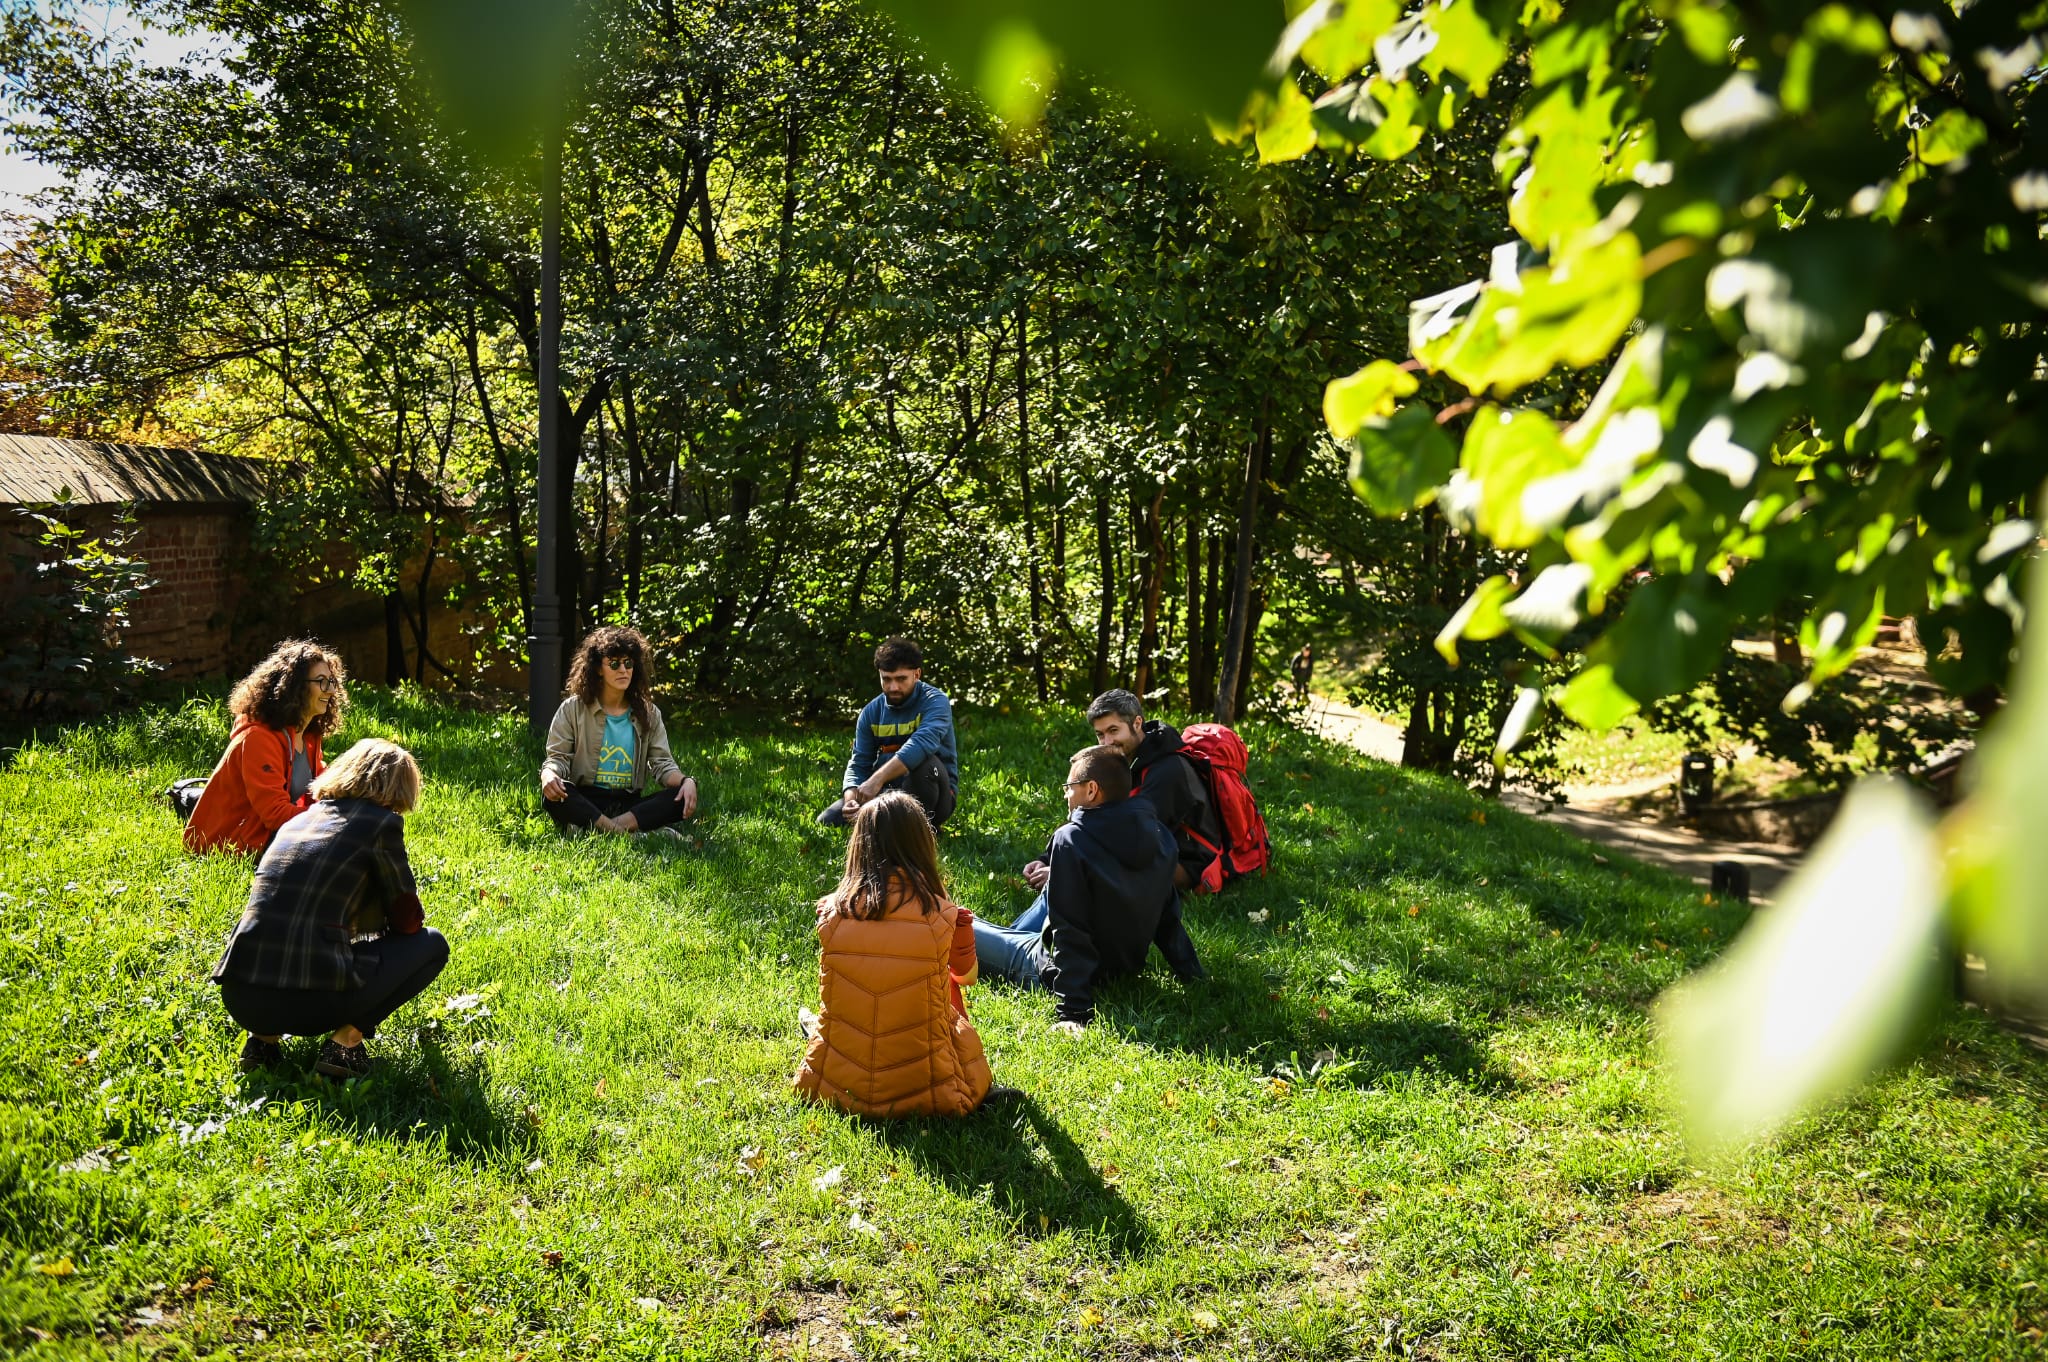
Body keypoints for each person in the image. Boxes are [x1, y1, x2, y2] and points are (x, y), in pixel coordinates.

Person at [210, 738, 449, 1080]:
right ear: (401, 787)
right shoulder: (381, 823)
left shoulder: (297, 822)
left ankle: (262, 1043)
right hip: (311, 1001)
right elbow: (407, 920)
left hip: (240, 995)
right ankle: (344, 1046)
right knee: (432, 945)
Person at [793, 791, 1011, 1116]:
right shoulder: (945, 915)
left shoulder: (831, 912)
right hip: (929, 1084)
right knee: (945, 984)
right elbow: (967, 976)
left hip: (837, 1082)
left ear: (859, 846)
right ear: (922, 843)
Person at [975, 744, 1204, 1035]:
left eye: (1069, 787)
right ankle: (1010, 938)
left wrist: (1074, 1012)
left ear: (1092, 790)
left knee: (953, 921)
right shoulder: (1158, 835)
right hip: (1119, 966)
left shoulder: (1072, 840)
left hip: (1051, 969)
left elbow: (1070, 930)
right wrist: (1191, 972)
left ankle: (1005, 948)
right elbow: (1167, 915)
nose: (1066, 795)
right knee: (1052, 889)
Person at [185, 639, 346, 855]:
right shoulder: (258, 739)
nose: (331, 690)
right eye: (321, 682)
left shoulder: (309, 735)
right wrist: (330, 821)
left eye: (331, 681)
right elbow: (275, 815)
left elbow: (318, 791)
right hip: (233, 842)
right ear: (294, 686)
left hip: (275, 835)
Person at [540, 626, 699, 836]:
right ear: (598, 669)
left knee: (680, 796)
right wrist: (548, 775)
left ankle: (594, 829)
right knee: (555, 796)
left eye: (628, 663)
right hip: (587, 798)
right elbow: (557, 758)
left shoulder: (649, 713)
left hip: (628, 803)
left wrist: (687, 781)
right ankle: (627, 833)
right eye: (614, 664)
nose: (623, 670)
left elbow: (663, 764)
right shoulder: (573, 709)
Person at [1085, 689, 1224, 894]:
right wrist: (1049, 858)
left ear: (1137, 723)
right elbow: (1096, 815)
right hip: (1156, 846)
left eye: (1113, 730)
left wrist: (1070, 868)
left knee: (1101, 875)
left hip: (1190, 863)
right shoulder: (1126, 760)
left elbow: (1135, 837)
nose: (1107, 742)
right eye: (1100, 734)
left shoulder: (1168, 770)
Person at [818, 636, 958, 829]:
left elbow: (921, 744)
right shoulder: (870, 712)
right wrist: (851, 799)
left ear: (917, 674)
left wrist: (876, 780)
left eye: (901, 679)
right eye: (887, 679)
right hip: (887, 792)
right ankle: (890, 824)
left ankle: (918, 830)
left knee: (924, 764)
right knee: (828, 820)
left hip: (935, 793)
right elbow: (859, 762)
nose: (893, 687)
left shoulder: (935, 701)